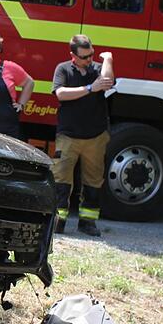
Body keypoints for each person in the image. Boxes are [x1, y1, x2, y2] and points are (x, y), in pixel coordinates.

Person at [51, 34, 115, 236]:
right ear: (73, 55)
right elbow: (60, 93)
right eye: (85, 57)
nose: (89, 60)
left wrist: (108, 59)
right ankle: (58, 220)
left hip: (95, 135)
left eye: (92, 55)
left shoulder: (97, 68)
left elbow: (108, 81)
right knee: (61, 178)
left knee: (93, 181)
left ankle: (87, 222)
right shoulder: (63, 69)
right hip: (68, 134)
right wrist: (89, 88)